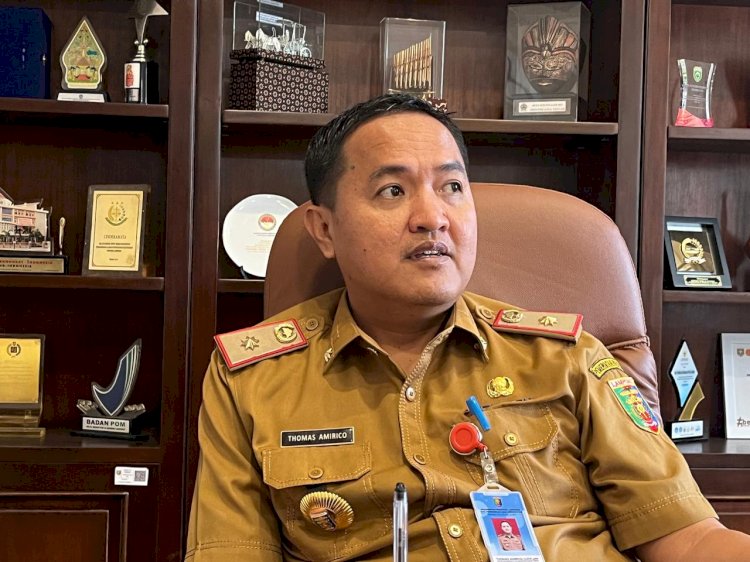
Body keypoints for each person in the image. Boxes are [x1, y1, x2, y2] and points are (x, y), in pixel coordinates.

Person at [185, 93, 750, 561]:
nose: (433, 217)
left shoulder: (568, 356)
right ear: (324, 230)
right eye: (392, 190)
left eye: (452, 187)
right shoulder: (252, 380)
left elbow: (689, 538)